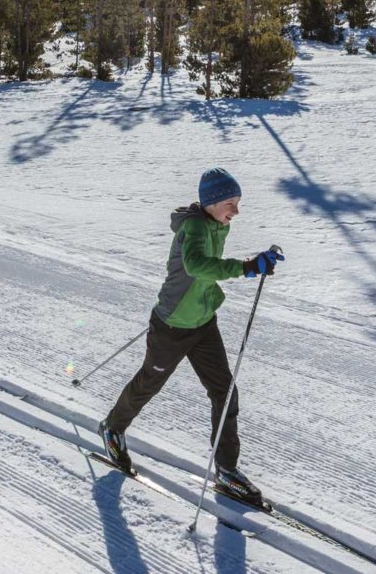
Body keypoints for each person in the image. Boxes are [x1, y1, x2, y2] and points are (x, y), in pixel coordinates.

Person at [98, 167, 283, 504]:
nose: (236, 211)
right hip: (172, 326)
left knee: (225, 392)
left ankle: (226, 470)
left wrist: (257, 262)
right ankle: (112, 427)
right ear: (211, 202)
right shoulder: (196, 226)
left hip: (202, 322)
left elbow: (205, 270)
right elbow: (197, 265)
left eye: (238, 203)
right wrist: (245, 266)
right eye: (231, 202)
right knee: (149, 383)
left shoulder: (216, 223)